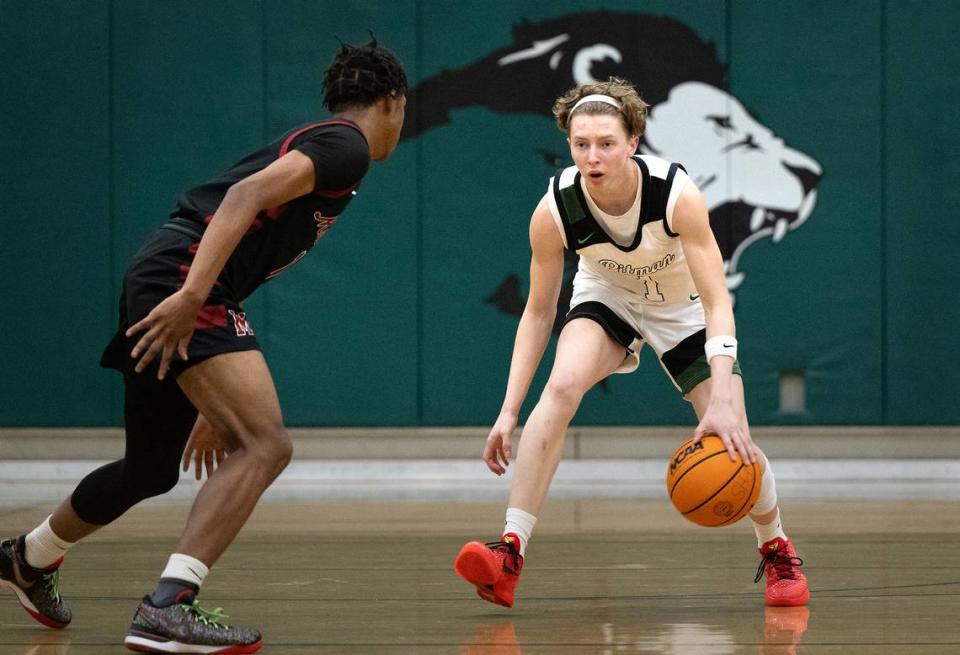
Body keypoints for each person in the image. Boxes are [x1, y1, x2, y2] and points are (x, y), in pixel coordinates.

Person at [0, 39, 407, 653]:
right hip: (184, 280)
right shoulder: (346, 146)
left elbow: (247, 233)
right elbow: (243, 198)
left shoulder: (328, 145)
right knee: (266, 444)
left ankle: (29, 557)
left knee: (151, 468)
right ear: (392, 102)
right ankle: (168, 606)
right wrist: (193, 297)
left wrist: (217, 400)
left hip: (170, 273)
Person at [453, 78, 808, 610]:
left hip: (683, 308)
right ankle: (509, 553)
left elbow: (716, 303)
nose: (592, 156)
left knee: (734, 432)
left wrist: (726, 396)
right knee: (564, 382)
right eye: (581, 145)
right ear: (569, 145)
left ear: (634, 141)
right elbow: (537, 311)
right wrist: (507, 412)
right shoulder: (555, 211)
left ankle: (776, 547)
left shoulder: (676, 196)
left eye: (606, 143)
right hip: (609, 298)